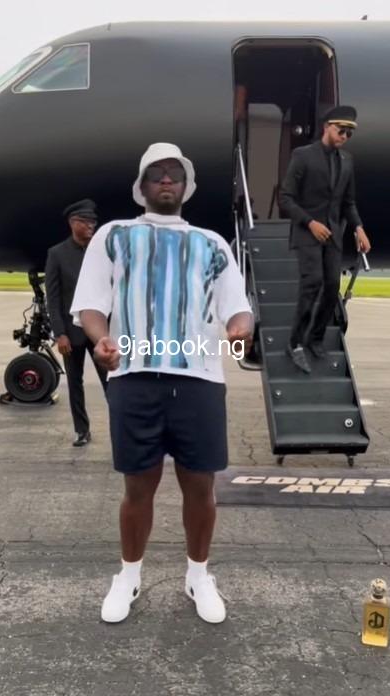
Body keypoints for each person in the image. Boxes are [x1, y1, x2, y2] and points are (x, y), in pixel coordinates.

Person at [71, 143, 254, 623]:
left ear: (187, 186)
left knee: (200, 486)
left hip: (199, 379)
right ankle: (128, 575)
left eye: (175, 173)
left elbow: (237, 308)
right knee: (139, 486)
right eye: (157, 173)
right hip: (134, 376)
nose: (167, 179)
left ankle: (198, 576)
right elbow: (91, 304)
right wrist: (101, 338)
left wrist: (240, 329)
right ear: (142, 186)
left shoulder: (212, 243)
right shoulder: (114, 236)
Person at [278, 105, 371, 373]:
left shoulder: (347, 161)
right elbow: (286, 198)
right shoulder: (303, 156)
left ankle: (315, 337)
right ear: (327, 127)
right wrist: (310, 222)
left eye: (349, 134)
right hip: (307, 231)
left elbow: (348, 202)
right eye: (341, 130)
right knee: (313, 283)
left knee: (332, 286)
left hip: (333, 234)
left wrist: (359, 228)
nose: (344, 136)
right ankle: (295, 343)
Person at [45, 199, 108, 446]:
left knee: (111, 381)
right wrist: (59, 333)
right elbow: (53, 298)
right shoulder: (57, 254)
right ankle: (82, 430)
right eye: (86, 222)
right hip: (71, 334)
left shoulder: (101, 252)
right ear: (73, 223)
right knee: (74, 383)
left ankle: (121, 428)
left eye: (93, 222)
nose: (91, 226)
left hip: (99, 332)